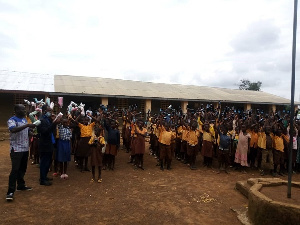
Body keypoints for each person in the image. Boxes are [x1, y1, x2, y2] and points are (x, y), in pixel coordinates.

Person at [6, 104, 36, 201]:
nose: (24, 111)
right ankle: (10, 191)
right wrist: (27, 125)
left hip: (25, 148)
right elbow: (13, 130)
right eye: (22, 109)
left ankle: (21, 185)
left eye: (24, 109)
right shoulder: (12, 120)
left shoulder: (23, 120)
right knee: (15, 169)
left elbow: (27, 132)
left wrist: (33, 133)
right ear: (16, 110)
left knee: (22, 168)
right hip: (16, 149)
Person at [37, 105, 61, 186]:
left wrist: (53, 121)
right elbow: (45, 131)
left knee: (48, 161)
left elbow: (51, 130)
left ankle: (45, 176)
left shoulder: (47, 119)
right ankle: (42, 179)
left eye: (51, 111)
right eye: (49, 111)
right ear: (44, 111)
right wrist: (54, 123)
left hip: (50, 142)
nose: (50, 112)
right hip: (45, 144)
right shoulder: (41, 120)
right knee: (44, 162)